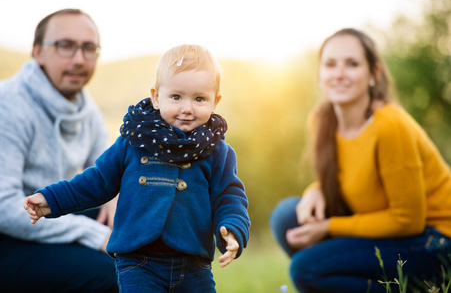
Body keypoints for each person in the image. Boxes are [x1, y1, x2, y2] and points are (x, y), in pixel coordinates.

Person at [24, 44, 251, 293]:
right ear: (156, 97)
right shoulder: (135, 141)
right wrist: (52, 199)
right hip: (139, 263)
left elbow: (229, 196)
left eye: (199, 99)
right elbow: (97, 181)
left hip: (194, 265)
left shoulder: (216, 151)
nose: (187, 108)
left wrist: (233, 228)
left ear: (215, 101)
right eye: (176, 97)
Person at [270, 28, 451, 292]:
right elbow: (354, 175)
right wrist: (317, 188)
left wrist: (329, 227)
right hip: (393, 230)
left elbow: (407, 220)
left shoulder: (390, 126)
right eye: (330, 64)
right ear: (320, 75)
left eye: (352, 64)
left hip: (435, 240)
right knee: (287, 217)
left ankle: (415, 287)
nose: (340, 74)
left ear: (373, 75)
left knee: (306, 269)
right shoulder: (322, 121)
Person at [0, 9, 118, 292]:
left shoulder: (85, 108)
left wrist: (117, 197)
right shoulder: (9, 105)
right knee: (113, 274)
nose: (79, 59)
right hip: (7, 237)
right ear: (38, 52)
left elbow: (108, 170)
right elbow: (4, 209)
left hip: (49, 220)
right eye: (65, 45)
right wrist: (94, 233)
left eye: (89, 48)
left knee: (146, 249)